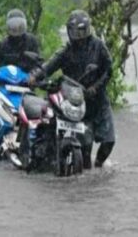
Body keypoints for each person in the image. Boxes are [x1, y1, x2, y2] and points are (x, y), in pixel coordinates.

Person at [30, 10, 115, 169]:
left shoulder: (98, 46)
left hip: (98, 98)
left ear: (88, 30)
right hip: (76, 101)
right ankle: (82, 171)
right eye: (75, 32)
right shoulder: (66, 51)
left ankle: (99, 165)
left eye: (82, 31)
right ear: (69, 32)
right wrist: (35, 77)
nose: (79, 36)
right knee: (85, 145)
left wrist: (96, 87)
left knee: (109, 140)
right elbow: (49, 66)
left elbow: (108, 70)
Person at [0, 9, 40, 79]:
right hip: (6, 80)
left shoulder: (31, 41)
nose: (16, 28)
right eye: (13, 25)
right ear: (8, 26)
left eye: (19, 25)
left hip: (26, 82)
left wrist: (34, 76)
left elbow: (38, 63)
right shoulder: (4, 43)